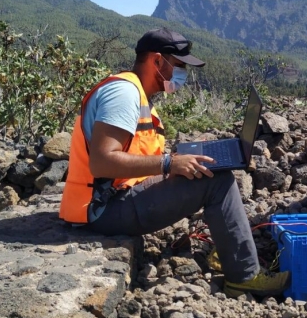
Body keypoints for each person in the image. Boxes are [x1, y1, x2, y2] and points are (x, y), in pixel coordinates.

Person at [60, 27, 289, 297]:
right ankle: (244, 276)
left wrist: (182, 156)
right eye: (179, 66)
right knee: (218, 182)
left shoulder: (135, 92)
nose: (182, 74)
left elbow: (136, 152)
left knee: (209, 168)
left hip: (115, 197)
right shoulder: (124, 95)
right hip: (101, 209)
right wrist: (169, 164)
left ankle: (230, 246)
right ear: (157, 61)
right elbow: (102, 162)